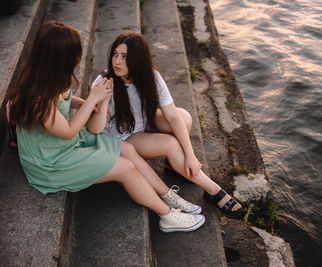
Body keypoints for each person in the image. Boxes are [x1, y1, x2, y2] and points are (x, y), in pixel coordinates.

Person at [8, 21, 205, 233]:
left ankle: (168, 194)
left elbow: (66, 100)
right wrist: (93, 99)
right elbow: (67, 132)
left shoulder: (56, 76)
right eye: (76, 50)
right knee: (126, 168)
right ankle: (167, 216)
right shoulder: (38, 97)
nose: (80, 55)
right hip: (50, 158)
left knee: (128, 150)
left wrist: (86, 104)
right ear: (61, 56)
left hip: (64, 141)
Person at [93, 33, 242, 217]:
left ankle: (177, 164)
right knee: (171, 144)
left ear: (137, 59)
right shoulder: (104, 82)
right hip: (121, 138)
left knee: (184, 117)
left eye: (124, 56)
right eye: (115, 54)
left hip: (141, 127)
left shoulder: (151, 77)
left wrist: (190, 155)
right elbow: (94, 127)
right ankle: (214, 190)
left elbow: (172, 117)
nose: (117, 61)